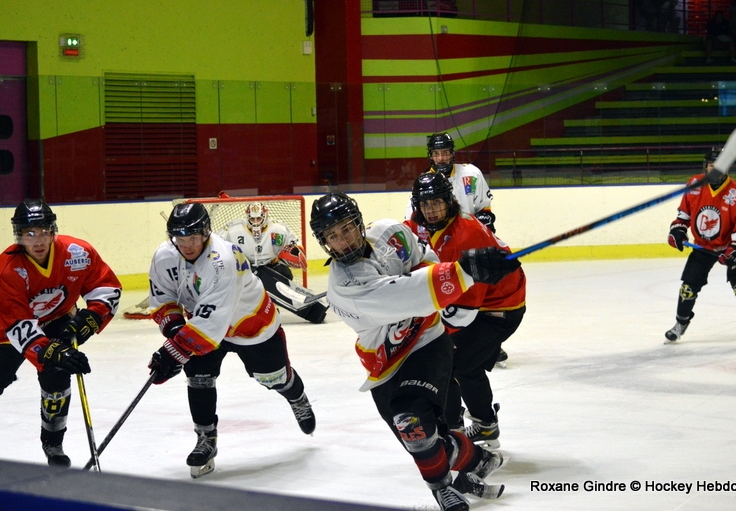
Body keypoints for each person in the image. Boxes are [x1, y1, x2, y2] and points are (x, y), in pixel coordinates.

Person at [310, 191, 521, 510]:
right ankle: (467, 465)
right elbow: (410, 295)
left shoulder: (389, 233)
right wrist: (464, 272)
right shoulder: (347, 287)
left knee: (414, 421)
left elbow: (427, 262)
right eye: (332, 236)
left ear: (358, 222)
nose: (343, 241)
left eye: (346, 228)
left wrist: (460, 271)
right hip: (384, 364)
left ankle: (445, 485)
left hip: (426, 341)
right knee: (420, 438)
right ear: (324, 242)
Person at [146, 203, 316, 479]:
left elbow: (214, 323)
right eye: (180, 238)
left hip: (251, 325)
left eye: (192, 238)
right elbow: (164, 298)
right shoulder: (165, 256)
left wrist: (172, 353)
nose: (186, 245)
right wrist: (175, 332)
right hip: (204, 324)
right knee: (198, 376)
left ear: (205, 233)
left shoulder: (221, 259)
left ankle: (297, 396)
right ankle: (205, 439)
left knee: (274, 378)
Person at [0, 200, 122, 466]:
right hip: (10, 327)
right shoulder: (5, 270)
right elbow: (18, 323)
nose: (38, 240)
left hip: (59, 318)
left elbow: (105, 288)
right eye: (29, 233)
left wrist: (90, 319)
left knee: (57, 383)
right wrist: (50, 351)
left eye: (44, 231)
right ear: (19, 236)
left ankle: (53, 444)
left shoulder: (78, 252)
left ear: (53, 230)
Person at [408, 172, 526, 452]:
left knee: (455, 366)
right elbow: (402, 233)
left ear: (449, 201)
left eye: (437, 202)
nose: (431, 210)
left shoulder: (464, 236)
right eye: (425, 205)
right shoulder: (433, 223)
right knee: (454, 364)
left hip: (498, 310)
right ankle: (476, 425)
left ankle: (466, 429)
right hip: (485, 304)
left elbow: (463, 313)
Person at [405, 133, 508, 365]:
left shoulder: (470, 174)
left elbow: (485, 208)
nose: (441, 158)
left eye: (445, 153)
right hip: (442, 247)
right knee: (451, 297)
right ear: (430, 156)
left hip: (470, 242)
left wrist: (482, 226)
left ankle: (489, 344)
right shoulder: (424, 183)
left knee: (481, 293)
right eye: (436, 153)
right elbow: (412, 222)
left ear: (452, 153)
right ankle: (448, 340)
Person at [665, 148, 736, 344]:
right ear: (705, 167)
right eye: (711, 166)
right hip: (703, 247)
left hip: (730, 247)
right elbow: (684, 215)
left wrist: (733, 249)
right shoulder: (694, 184)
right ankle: (680, 323)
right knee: (688, 288)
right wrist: (678, 230)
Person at [220, 201, 328, 324]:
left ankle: (273, 306)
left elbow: (295, 245)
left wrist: (296, 252)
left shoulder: (278, 229)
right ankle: (253, 309)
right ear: (247, 218)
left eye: (259, 218)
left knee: (284, 273)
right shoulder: (234, 229)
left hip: (271, 267)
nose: (256, 222)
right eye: (253, 219)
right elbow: (217, 244)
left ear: (265, 216)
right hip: (245, 270)